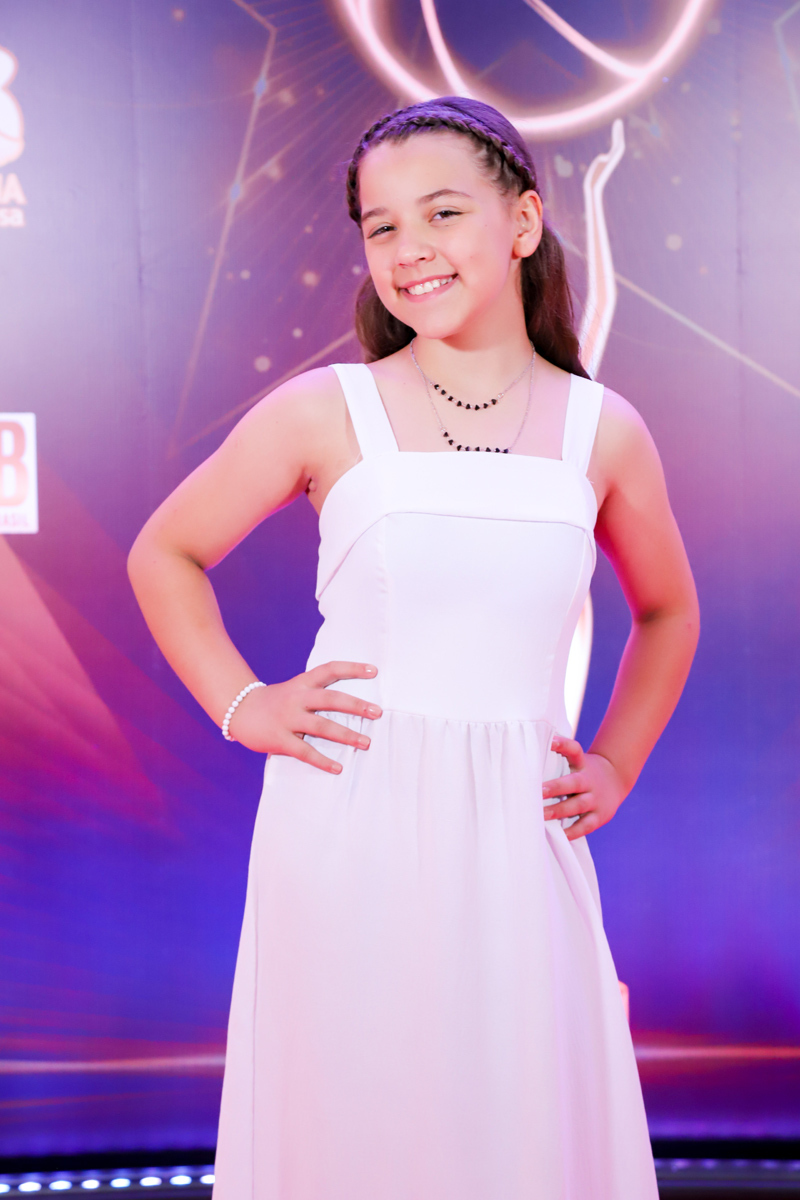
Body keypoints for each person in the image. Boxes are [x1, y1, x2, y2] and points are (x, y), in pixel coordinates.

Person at [128, 96, 699, 1200]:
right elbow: (166, 552)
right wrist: (244, 704)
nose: (408, 248)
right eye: (380, 226)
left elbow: (668, 611)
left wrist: (617, 764)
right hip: (348, 821)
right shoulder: (323, 410)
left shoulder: (604, 430)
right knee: (357, 1122)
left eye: (441, 213)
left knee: (518, 1128)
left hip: (520, 831)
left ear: (522, 222)